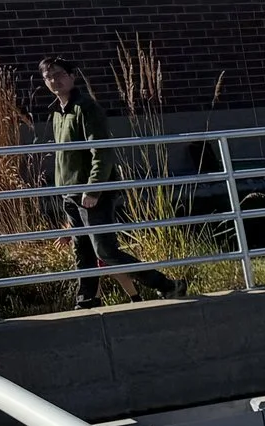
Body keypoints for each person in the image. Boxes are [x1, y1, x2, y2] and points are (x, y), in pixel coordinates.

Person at [39, 56, 178, 308]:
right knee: (82, 249)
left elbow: (101, 150)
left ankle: (165, 284)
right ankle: (87, 298)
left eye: (59, 74)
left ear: (72, 76)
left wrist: (94, 187)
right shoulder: (58, 112)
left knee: (105, 250)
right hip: (70, 191)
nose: (54, 80)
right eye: (48, 76)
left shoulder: (85, 107)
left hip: (92, 192)